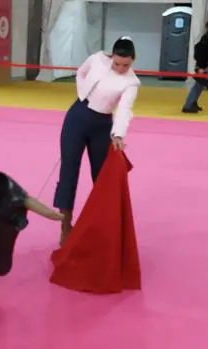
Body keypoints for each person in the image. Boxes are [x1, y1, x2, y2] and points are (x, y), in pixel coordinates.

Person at [54, 37, 141, 246]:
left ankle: (101, 225)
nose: (120, 68)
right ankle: (65, 226)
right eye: (117, 63)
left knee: (102, 178)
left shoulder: (132, 82)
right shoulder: (97, 59)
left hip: (102, 126)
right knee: (68, 172)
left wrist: (118, 134)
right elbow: (81, 72)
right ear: (111, 56)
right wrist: (83, 94)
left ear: (133, 61)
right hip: (76, 117)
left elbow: (124, 110)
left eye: (125, 65)